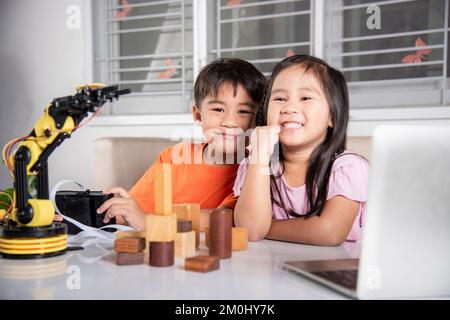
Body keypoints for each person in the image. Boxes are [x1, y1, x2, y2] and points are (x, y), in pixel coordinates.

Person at [96, 58, 267, 231]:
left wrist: (149, 222)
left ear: (257, 121)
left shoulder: (253, 171)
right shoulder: (173, 157)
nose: (230, 122)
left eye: (243, 112)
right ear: (198, 115)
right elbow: (132, 213)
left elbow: (227, 219)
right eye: (218, 109)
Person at [233, 55, 369, 246]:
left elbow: (329, 232)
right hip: (273, 269)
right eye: (280, 98)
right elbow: (251, 231)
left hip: (335, 270)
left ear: (333, 117)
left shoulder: (347, 168)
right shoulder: (254, 165)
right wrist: (259, 157)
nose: (289, 107)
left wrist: (265, 227)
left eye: (305, 98)